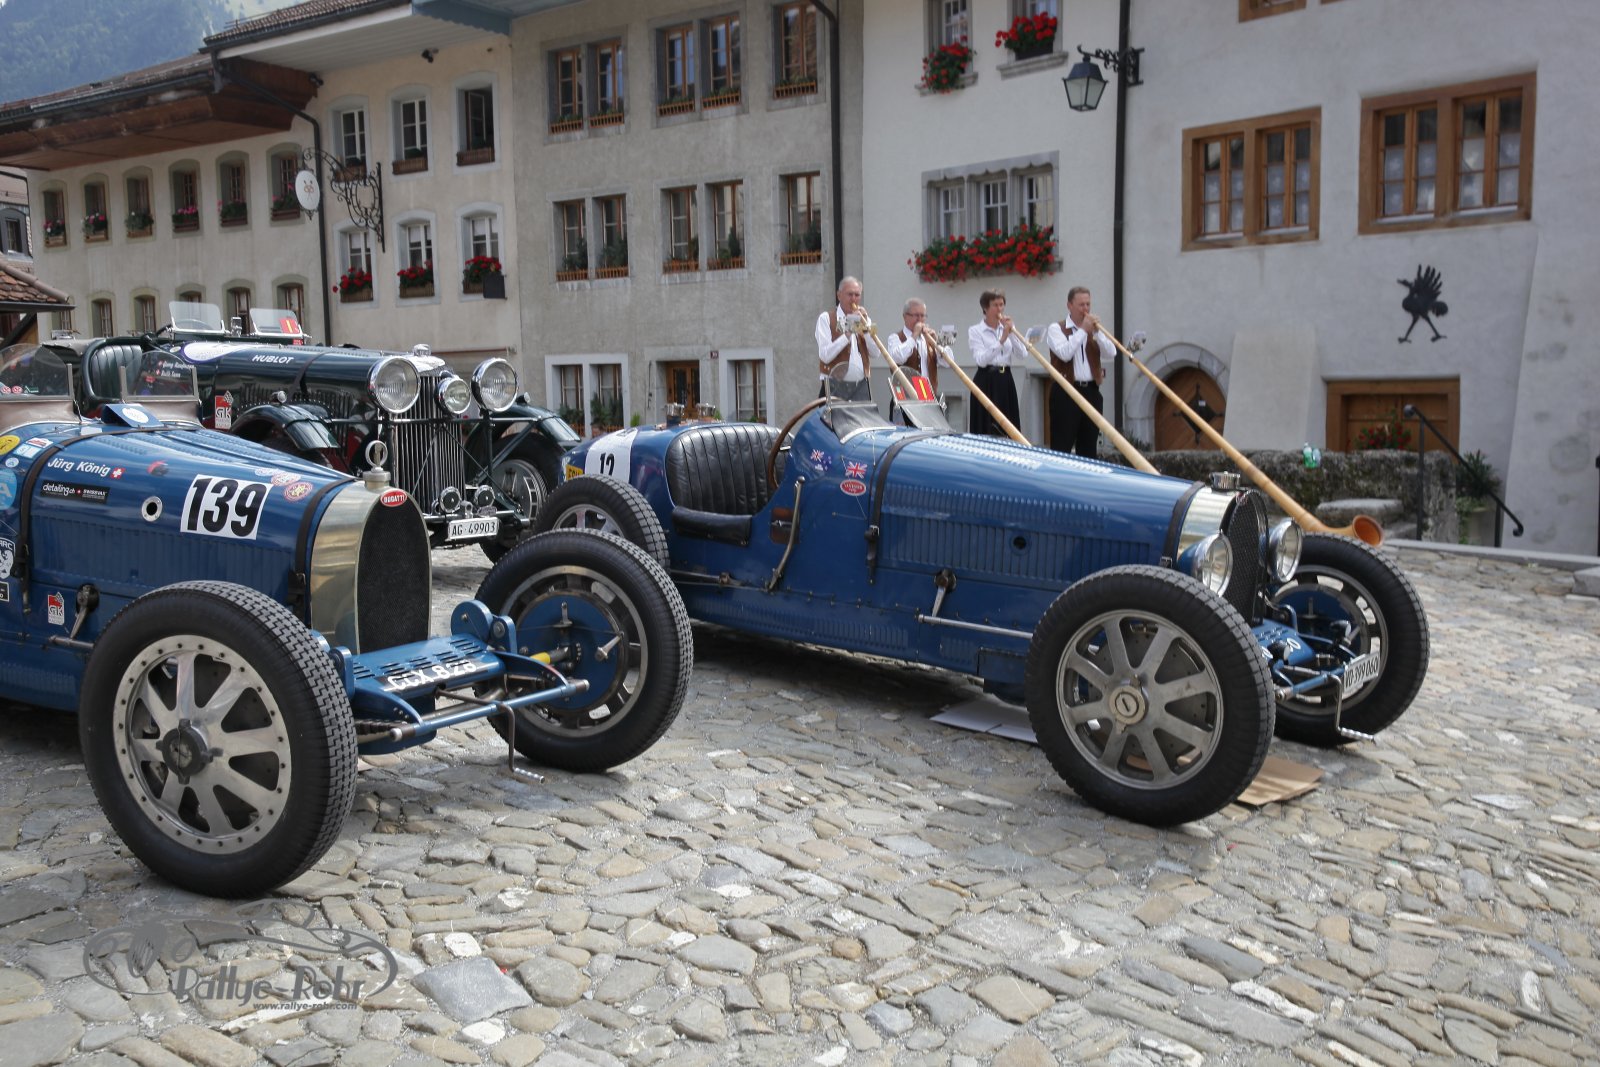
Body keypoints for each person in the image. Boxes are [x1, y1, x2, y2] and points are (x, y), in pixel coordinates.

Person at [1045, 286, 1115, 457]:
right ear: (1069, 305)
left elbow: (1111, 353)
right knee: (1062, 446)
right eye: (1081, 305)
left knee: (1089, 447)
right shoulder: (1056, 328)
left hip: (1091, 391)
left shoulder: (1093, 330)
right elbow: (1065, 354)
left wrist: (1098, 333)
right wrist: (1083, 330)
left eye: (1088, 304)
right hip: (1066, 391)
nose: (1086, 309)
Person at [967, 289, 1025, 437]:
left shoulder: (1007, 328)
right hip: (986, 380)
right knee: (986, 427)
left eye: (1001, 305)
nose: (999, 309)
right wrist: (1001, 340)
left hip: (1006, 379)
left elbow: (1022, 354)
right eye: (995, 305)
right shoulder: (975, 331)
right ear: (985, 308)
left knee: (1008, 426)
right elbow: (981, 360)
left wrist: (1011, 334)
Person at [814, 276, 873, 402]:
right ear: (839, 295)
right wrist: (850, 330)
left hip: (861, 386)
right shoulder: (826, 318)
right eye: (850, 294)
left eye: (857, 295)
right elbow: (825, 355)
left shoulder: (866, 319)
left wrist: (866, 329)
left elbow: (876, 353)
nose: (854, 299)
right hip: (835, 385)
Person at [884, 297, 940, 419]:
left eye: (923, 316)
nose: (920, 319)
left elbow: (946, 362)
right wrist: (914, 336)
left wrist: (938, 343)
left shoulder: (929, 339)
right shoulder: (895, 337)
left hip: (927, 396)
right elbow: (898, 358)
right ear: (905, 316)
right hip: (904, 397)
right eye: (916, 315)